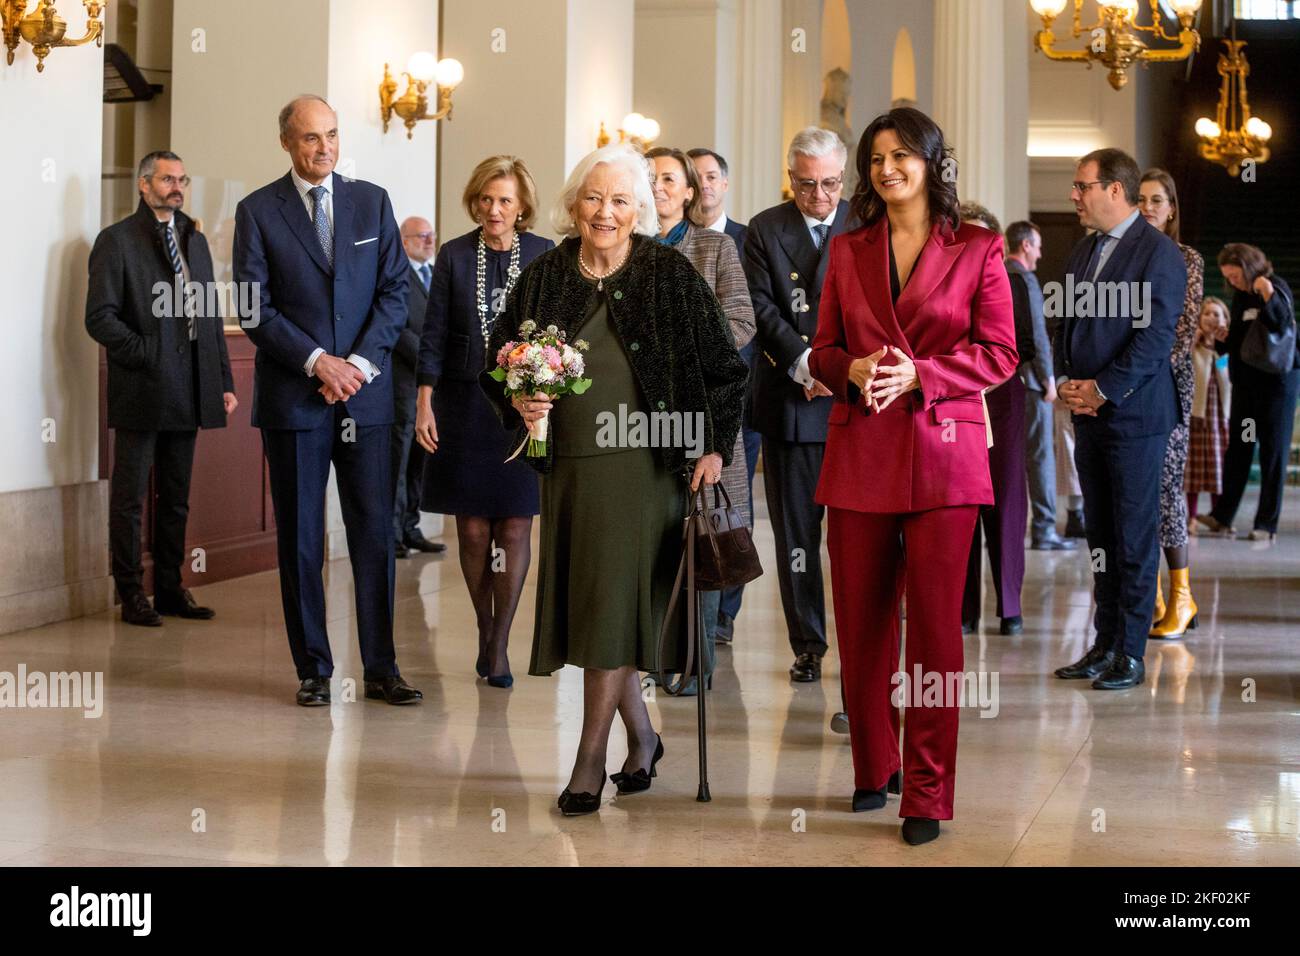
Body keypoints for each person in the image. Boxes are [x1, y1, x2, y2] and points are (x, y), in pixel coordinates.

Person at [481, 144, 748, 815]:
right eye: (595, 199)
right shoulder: (545, 276)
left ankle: (588, 761)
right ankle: (645, 739)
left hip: (647, 469)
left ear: (642, 211)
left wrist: (714, 446)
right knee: (607, 609)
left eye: (621, 201)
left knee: (609, 609)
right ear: (574, 206)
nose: (606, 212)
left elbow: (724, 367)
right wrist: (517, 399)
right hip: (568, 468)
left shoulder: (668, 275)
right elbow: (498, 357)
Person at [810, 107, 1018, 845]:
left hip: (944, 458)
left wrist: (922, 375)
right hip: (860, 450)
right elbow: (824, 350)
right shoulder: (846, 250)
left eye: (902, 156)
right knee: (861, 626)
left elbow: (1000, 354)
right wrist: (853, 368)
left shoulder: (980, 249)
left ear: (932, 163)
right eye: (876, 159)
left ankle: (927, 790)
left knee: (935, 634)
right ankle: (875, 766)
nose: (887, 168)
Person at [233, 94, 421, 707]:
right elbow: (254, 307)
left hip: (365, 400)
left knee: (374, 534)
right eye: (311, 138)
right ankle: (313, 668)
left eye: (333, 135)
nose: (325, 148)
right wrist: (318, 362)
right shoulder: (258, 210)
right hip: (296, 399)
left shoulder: (372, 201)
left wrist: (359, 366)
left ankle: (382, 668)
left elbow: (395, 292)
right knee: (302, 539)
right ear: (287, 141)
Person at [413, 156, 554, 687]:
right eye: (486, 199)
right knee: (471, 528)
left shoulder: (544, 255)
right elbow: (432, 332)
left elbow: (557, 333)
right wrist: (424, 400)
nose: (494, 209)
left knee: (516, 524)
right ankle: (484, 629)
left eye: (505, 201)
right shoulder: (452, 255)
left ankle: (498, 646)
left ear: (522, 208)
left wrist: (546, 393)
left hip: (524, 409)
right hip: (462, 402)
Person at [1052, 148, 1186, 691]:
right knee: (1101, 534)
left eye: (1083, 186)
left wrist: (1104, 389)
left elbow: (1156, 338)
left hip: (1134, 417)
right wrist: (1065, 381)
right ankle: (1104, 642)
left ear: (1115, 190)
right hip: (1088, 414)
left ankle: (1130, 651)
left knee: (1132, 536)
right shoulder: (1086, 250)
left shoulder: (1158, 253)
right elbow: (1064, 321)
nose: (1074, 195)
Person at [86, 150, 236, 626]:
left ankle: (171, 588)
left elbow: (208, 315)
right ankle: (131, 594)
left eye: (181, 179)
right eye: (167, 179)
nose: (176, 187)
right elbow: (99, 319)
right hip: (142, 388)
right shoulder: (116, 241)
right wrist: (146, 353)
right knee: (130, 497)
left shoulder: (194, 238)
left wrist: (223, 380)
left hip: (190, 386)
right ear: (143, 185)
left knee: (175, 494)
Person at [743, 126, 850, 683]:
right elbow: (761, 309)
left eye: (830, 184)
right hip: (791, 398)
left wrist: (841, 368)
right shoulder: (765, 228)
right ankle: (807, 642)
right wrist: (806, 365)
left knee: (858, 540)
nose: (821, 197)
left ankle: (861, 643)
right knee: (797, 538)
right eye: (808, 186)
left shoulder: (869, 221)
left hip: (856, 401)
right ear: (791, 180)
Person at [646, 146, 755, 690]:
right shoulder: (624, 248)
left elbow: (740, 322)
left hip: (704, 415)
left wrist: (676, 352)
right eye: (649, 178)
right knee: (654, 538)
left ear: (689, 192)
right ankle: (654, 655)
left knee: (702, 536)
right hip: (636, 420)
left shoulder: (715, 247)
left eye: (668, 179)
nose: (657, 187)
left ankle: (696, 663)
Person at [689, 146, 758, 644]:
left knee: (730, 503)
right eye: (697, 177)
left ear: (724, 183)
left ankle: (723, 615)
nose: (705, 184)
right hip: (676, 409)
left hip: (739, 394)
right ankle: (694, 614)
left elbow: (750, 316)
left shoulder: (742, 241)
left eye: (713, 175)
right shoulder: (659, 241)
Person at [956, 202, 1028, 638]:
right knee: (961, 503)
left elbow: (1030, 345)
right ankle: (964, 609)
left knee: (1005, 502)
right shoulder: (943, 279)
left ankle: (1010, 606)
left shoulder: (1015, 284)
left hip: (1002, 399)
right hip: (958, 397)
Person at [1138, 169, 1203, 638]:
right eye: (1141, 199)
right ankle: (1151, 596)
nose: (1148, 208)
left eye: (1157, 200)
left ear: (1172, 208)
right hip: (1123, 389)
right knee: (1134, 498)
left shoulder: (1186, 259)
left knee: (1166, 491)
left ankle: (1181, 596)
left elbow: (1181, 333)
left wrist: (1135, 371)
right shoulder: (1123, 257)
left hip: (1165, 388)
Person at [1197, 243, 1298, 541]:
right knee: (1240, 449)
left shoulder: (1275, 286)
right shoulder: (1241, 297)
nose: (1232, 282)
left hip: (1277, 387)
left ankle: (1266, 524)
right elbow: (1239, 346)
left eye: (1235, 275)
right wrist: (1222, 339)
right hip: (1248, 388)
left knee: (1272, 452)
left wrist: (1265, 290)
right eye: (1227, 277)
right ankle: (1223, 516)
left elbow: (1280, 322)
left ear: (1249, 267)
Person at [1005, 220, 1073, 551]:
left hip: (1004, 381)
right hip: (1031, 381)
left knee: (1010, 456)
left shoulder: (999, 274)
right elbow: (1036, 333)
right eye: (1039, 245)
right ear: (1026, 246)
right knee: (1041, 457)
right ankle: (1044, 528)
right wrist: (1049, 379)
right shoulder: (1024, 279)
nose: (1041, 252)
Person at [391, 216, 445, 558]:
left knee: (419, 463)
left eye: (431, 235)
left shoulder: (435, 274)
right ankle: (392, 533)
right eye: (422, 236)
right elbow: (396, 327)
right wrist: (428, 359)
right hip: (402, 384)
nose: (429, 241)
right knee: (398, 462)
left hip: (429, 387)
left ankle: (411, 527)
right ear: (404, 240)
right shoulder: (396, 274)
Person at [1185, 297, 1231, 528]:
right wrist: (1193, 340)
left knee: (1219, 467)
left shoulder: (1229, 348)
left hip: (1220, 415)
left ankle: (1218, 516)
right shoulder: (1195, 346)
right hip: (1197, 413)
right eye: (1208, 314)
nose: (1212, 318)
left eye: (1217, 314)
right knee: (1192, 468)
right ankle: (1191, 517)